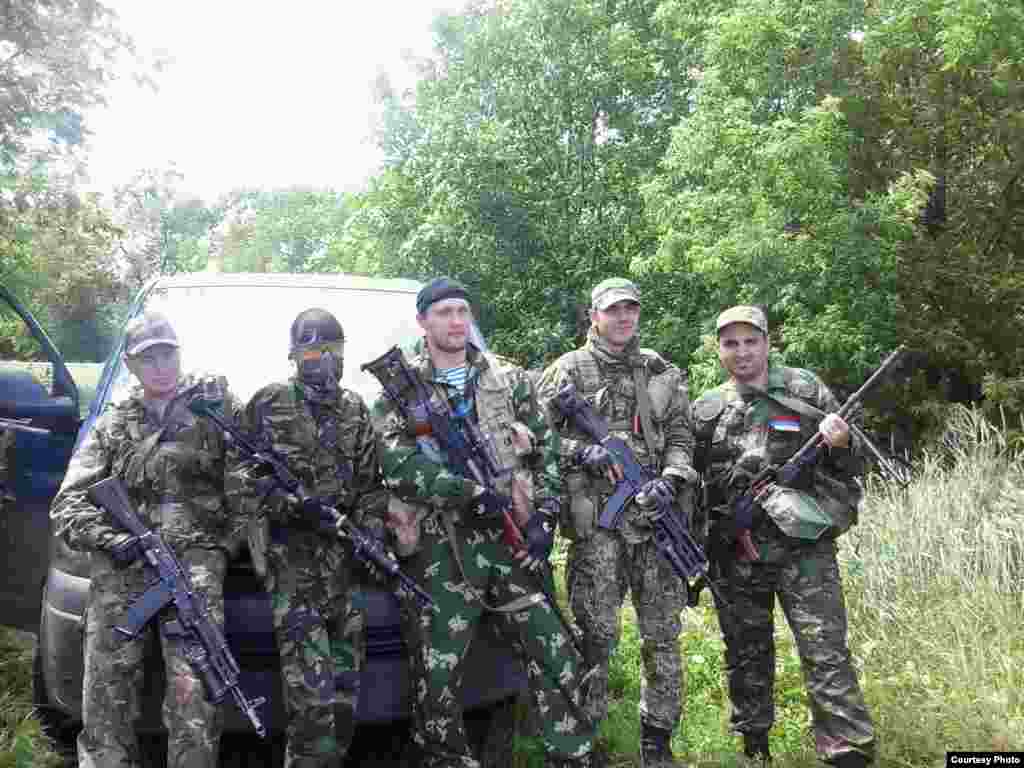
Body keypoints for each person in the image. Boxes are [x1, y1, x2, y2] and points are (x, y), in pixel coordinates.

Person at [369, 277, 594, 768]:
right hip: (442, 547)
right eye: (444, 312)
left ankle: (571, 754)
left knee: (555, 651)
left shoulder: (509, 379)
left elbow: (547, 451)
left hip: (511, 543)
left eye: (462, 312)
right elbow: (395, 462)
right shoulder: (400, 387)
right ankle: (449, 759)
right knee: (437, 672)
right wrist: (465, 491)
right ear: (423, 321)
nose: (455, 322)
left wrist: (545, 519)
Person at [50, 311, 242, 768]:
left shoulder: (214, 409)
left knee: (195, 695)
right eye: (148, 358)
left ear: (180, 354)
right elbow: (68, 504)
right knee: (105, 696)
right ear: (132, 366)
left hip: (191, 572)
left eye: (168, 354)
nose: (161, 366)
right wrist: (112, 540)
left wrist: (224, 546)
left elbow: (248, 482)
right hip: (123, 572)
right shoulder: (114, 424)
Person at [691, 305, 875, 767]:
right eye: (731, 343)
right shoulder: (706, 410)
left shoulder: (804, 389)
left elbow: (859, 462)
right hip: (737, 558)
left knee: (824, 650)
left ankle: (846, 748)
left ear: (768, 343)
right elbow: (693, 486)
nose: (742, 352)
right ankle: (755, 745)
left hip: (804, 550)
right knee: (746, 655)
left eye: (751, 341)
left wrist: (842, 442)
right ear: (719, 350)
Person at [537, 277, 696, 768]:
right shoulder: (564, 372)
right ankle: (583, 738)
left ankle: (657, 738)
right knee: (595, 635)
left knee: (662, 635)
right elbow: (530, 440)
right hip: (598, 529)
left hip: (653, 522)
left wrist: (670, 475)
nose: (624, 318)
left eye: (631, 309)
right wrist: (581, 452)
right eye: (613, 311)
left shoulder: (661, 371)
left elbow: (681, 434)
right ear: (594, 316)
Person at [226, 308, 382, 768]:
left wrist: (370, 535)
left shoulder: (355, 409)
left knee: (344, 694)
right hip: (291, 570)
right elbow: (238, 477)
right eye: (313, 351)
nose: (324, 361)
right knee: (310, 698)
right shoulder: (268, 402)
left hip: (344, 569)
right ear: (294, 355)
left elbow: (372, 485)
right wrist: (290, 505)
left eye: (332, 350)